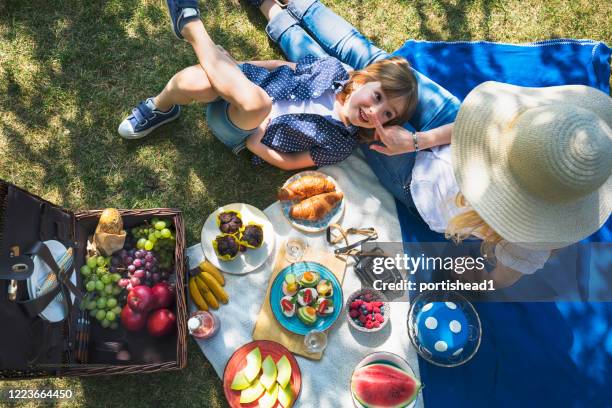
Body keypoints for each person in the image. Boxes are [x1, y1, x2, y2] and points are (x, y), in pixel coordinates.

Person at [249, 0, 612, 287]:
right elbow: (475, 122)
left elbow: (495, 281)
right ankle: (294, 4)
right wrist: (418, 140)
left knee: (340, 93)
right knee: (375, 67)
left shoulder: (532, 240)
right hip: (448, 127)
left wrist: (465, 280)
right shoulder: (542, 136)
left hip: (414, 179)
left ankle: (274, 14)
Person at [117, 0, 420, 171]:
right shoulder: (333, 69)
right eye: (378, 96)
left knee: (257, 105)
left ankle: (191, 27)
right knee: (193, 82)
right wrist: (238, 68)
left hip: (242, 126)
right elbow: (282, 66)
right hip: (245, 84)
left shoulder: (342, 142)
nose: (375, 111)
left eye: (388, 115)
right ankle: (162, 107)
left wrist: (256, 144)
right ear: (363, 79)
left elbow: (292, 163)